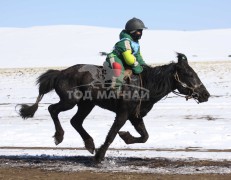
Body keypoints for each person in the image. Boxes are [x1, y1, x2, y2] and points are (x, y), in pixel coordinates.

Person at [103, 17, 148, 90]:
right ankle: (114, 91)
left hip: (124, 59)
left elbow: (138, 55)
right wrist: (138, 67)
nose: (140, 33)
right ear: (132, 31)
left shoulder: (135, 42)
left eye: (141, 31)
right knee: (119, 72)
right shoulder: (124, 42)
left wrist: (143, 65)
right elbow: (129, 59)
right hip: (115, 58)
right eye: (138, 31)